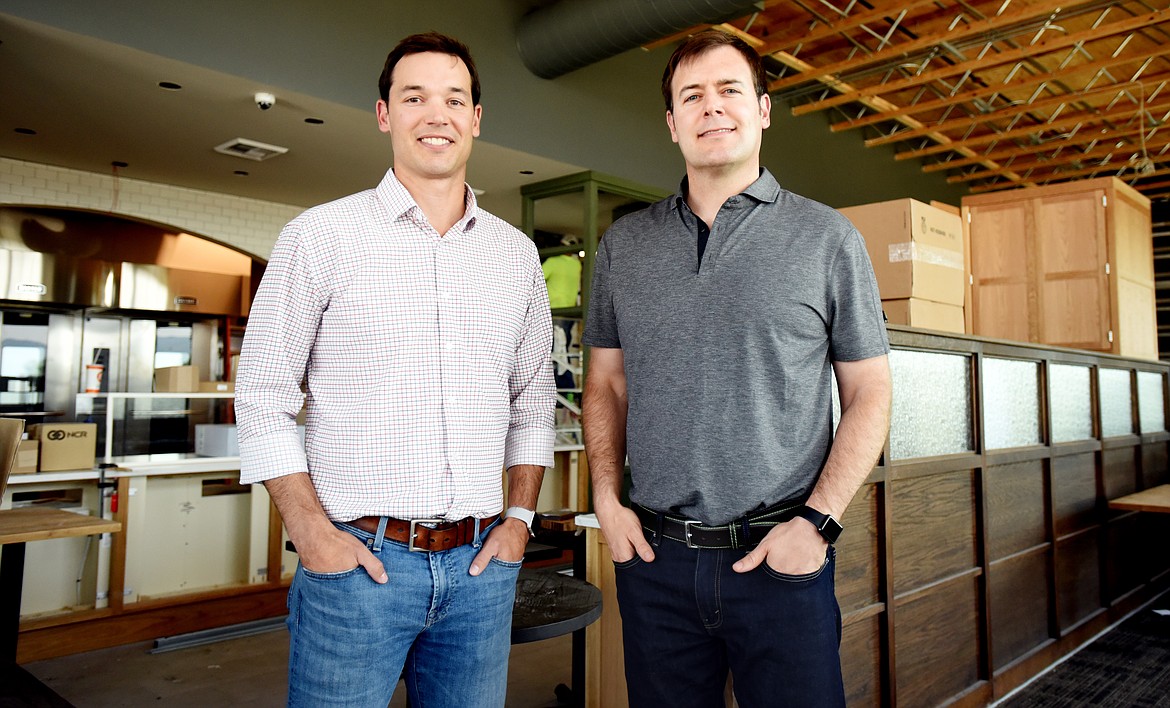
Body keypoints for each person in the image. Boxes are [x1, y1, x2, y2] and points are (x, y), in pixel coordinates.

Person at [234, 32, 555, 708]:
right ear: (385, 114)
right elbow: (262, 397)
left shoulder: (516, 256)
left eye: (454, 99)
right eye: (414, 97)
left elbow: (532, 401)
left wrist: (520, 517)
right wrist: (310, 534)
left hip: (480, 572)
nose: (435, 115)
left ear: (475, 119)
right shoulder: (319, 237)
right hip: (356, 568)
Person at [581, 29, 892, 708]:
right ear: (671, 123)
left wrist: (818, 524)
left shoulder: (827, 238)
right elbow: (605, 380)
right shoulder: (623, 246)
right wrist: (606, 499)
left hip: (779, 561)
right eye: (691, 96)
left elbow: (869, 392)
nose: (711, 107)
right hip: (656, 562)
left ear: (764, 109)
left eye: (729, 90)